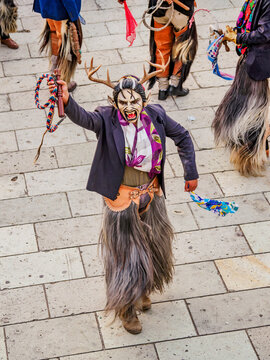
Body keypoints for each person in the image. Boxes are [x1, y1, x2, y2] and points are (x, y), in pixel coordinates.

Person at [49, 57, 198, 334]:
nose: (129, 108)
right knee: (125, 257)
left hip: (151, 195)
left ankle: (143, 288)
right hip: (121, 201)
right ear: (113, 102)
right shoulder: (106, 119)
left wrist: (191, 173)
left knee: (154, 248)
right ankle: (127, 308)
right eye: (123, 103)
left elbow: (183, 136)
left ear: (145, 99)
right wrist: (67, 101)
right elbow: (85, 118)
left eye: (134, 102)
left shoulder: (156, 115)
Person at [212, 0, 270, 176]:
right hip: (250, 59)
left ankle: (252, 154)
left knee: (251, 113)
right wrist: (230, 34)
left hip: (258, 64)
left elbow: (265, 33)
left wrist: (237, 37)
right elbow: (249, 25)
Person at [118, 0, 197, 100]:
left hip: (159, 9)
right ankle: (175, 84)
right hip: (181, 10)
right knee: (182, 47)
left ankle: (162, 88)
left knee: (162, 48)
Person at [33, 0, 82, 92]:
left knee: (54, 34)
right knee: (64, 41)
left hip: (47, 5)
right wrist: (73, 13)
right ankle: (62, 78)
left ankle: (53, 72)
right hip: (62, 8)